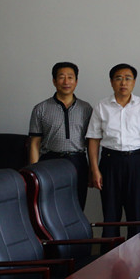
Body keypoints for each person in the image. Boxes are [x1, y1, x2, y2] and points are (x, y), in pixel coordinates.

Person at [86, 63, 140, 239]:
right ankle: (109, 254)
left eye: (127, 78)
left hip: (137, 162)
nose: (123, 83)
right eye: (118, 78)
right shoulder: (101, 106)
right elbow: (93, 139)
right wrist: (95, 170)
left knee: (136, 214)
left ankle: (136, 253)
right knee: (110, 214)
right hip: (110, 162)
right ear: (111, 82)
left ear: (134, 82)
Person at [28, 61, 93, 210]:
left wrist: (91, 169)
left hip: (77, 161)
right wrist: (33, 171)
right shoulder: (41, 108)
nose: (66, 82)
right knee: (50, 207)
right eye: (61, 77)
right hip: (50, 161)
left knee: (77, 205)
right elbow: (34, 143)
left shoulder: (86, 108)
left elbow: (91, 142)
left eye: (70, 77)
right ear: (54, 81)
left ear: (76, 81)